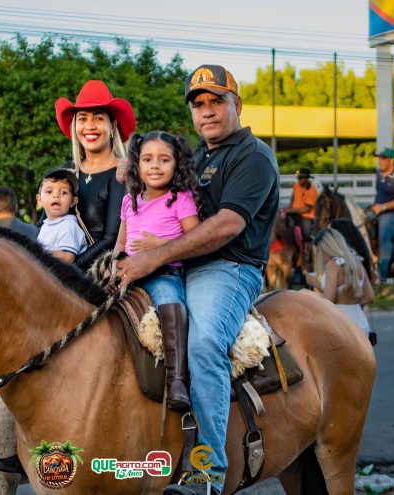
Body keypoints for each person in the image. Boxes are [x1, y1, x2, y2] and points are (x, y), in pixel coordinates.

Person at [116, 64, 279, 495]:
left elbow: (227, 225)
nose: (207, 112)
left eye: (216, 101)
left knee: (204, 344)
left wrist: (153, 258)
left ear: (237, 104)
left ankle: (208, 470)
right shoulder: (198, 155)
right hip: (178, 265)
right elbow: (154, 174)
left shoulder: (253, 156)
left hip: (228, 268)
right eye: (198, 104)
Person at [114, 131, 200, 410]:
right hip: (129, 273)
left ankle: (177, 379)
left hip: (164, 273)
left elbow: (196, 239)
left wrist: (159, 245)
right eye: (148, 159)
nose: (155, 166)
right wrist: (113, 263)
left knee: (171, 302)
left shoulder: (180, 198)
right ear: (136, 165)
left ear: (176, 165)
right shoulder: (131, 199)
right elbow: (121, 240)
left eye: (164, 160)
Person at [54, 80, 135, 270]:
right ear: (75, 126)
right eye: (82, 119)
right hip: (55, 268)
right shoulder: (67, 171)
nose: (90, 126)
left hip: (97, 271)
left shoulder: (121, 174)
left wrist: (72, 269)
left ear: (113, 125)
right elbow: (44, 222)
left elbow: (110, 238)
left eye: (98, 118)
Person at [305, 228, 374, 338]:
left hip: (341, 324)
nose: (321, 256)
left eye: (320, 250)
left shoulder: (333, 266)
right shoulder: (357, 262)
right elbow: (369, 297)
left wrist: (312, 286)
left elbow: (329, 300)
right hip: (361, 323)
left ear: (327, 247)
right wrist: (350, 301)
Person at [369, 147, 394, 282]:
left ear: (391, 160)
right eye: (379, 158)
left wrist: (383, 207)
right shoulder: (378, 174)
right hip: (378, 211)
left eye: (383, 158)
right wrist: (375, 207)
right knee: (360, 225)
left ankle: (382, 273)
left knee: (384, 233)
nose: (380, 161)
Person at [36, 168, 87, 263]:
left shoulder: (68, 225)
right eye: (49, 191)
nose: (56, 195)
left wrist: (37, 254)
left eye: (64, 192)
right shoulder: (45, 226)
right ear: (39, 200)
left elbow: (67, 258)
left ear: (73, 201)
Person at [280, 167, 317, 267]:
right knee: (285, 226)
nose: (299, 180)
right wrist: (285, 210)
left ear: (306, 179)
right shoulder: (296, 186)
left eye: (300, 178)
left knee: (306, 235)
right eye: (298, 178)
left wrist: (289, 210)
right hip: (294, 213)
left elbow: (306, 209)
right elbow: (292, 200)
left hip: (307, 216)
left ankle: (306, 258)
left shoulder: (313, 190)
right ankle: (289, 248)